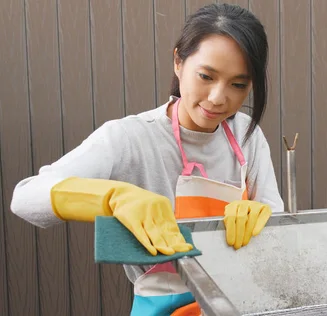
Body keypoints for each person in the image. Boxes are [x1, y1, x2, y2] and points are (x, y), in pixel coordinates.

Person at [10, 3, 283, 315]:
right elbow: (25, 197)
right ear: (178, 61)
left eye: (238, 84)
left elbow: (274, 214)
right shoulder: (130, 138)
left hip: (241, 304)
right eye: (206, 76)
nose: (218, 97)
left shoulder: (246, 133)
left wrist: (261, 216)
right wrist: (112, 196)